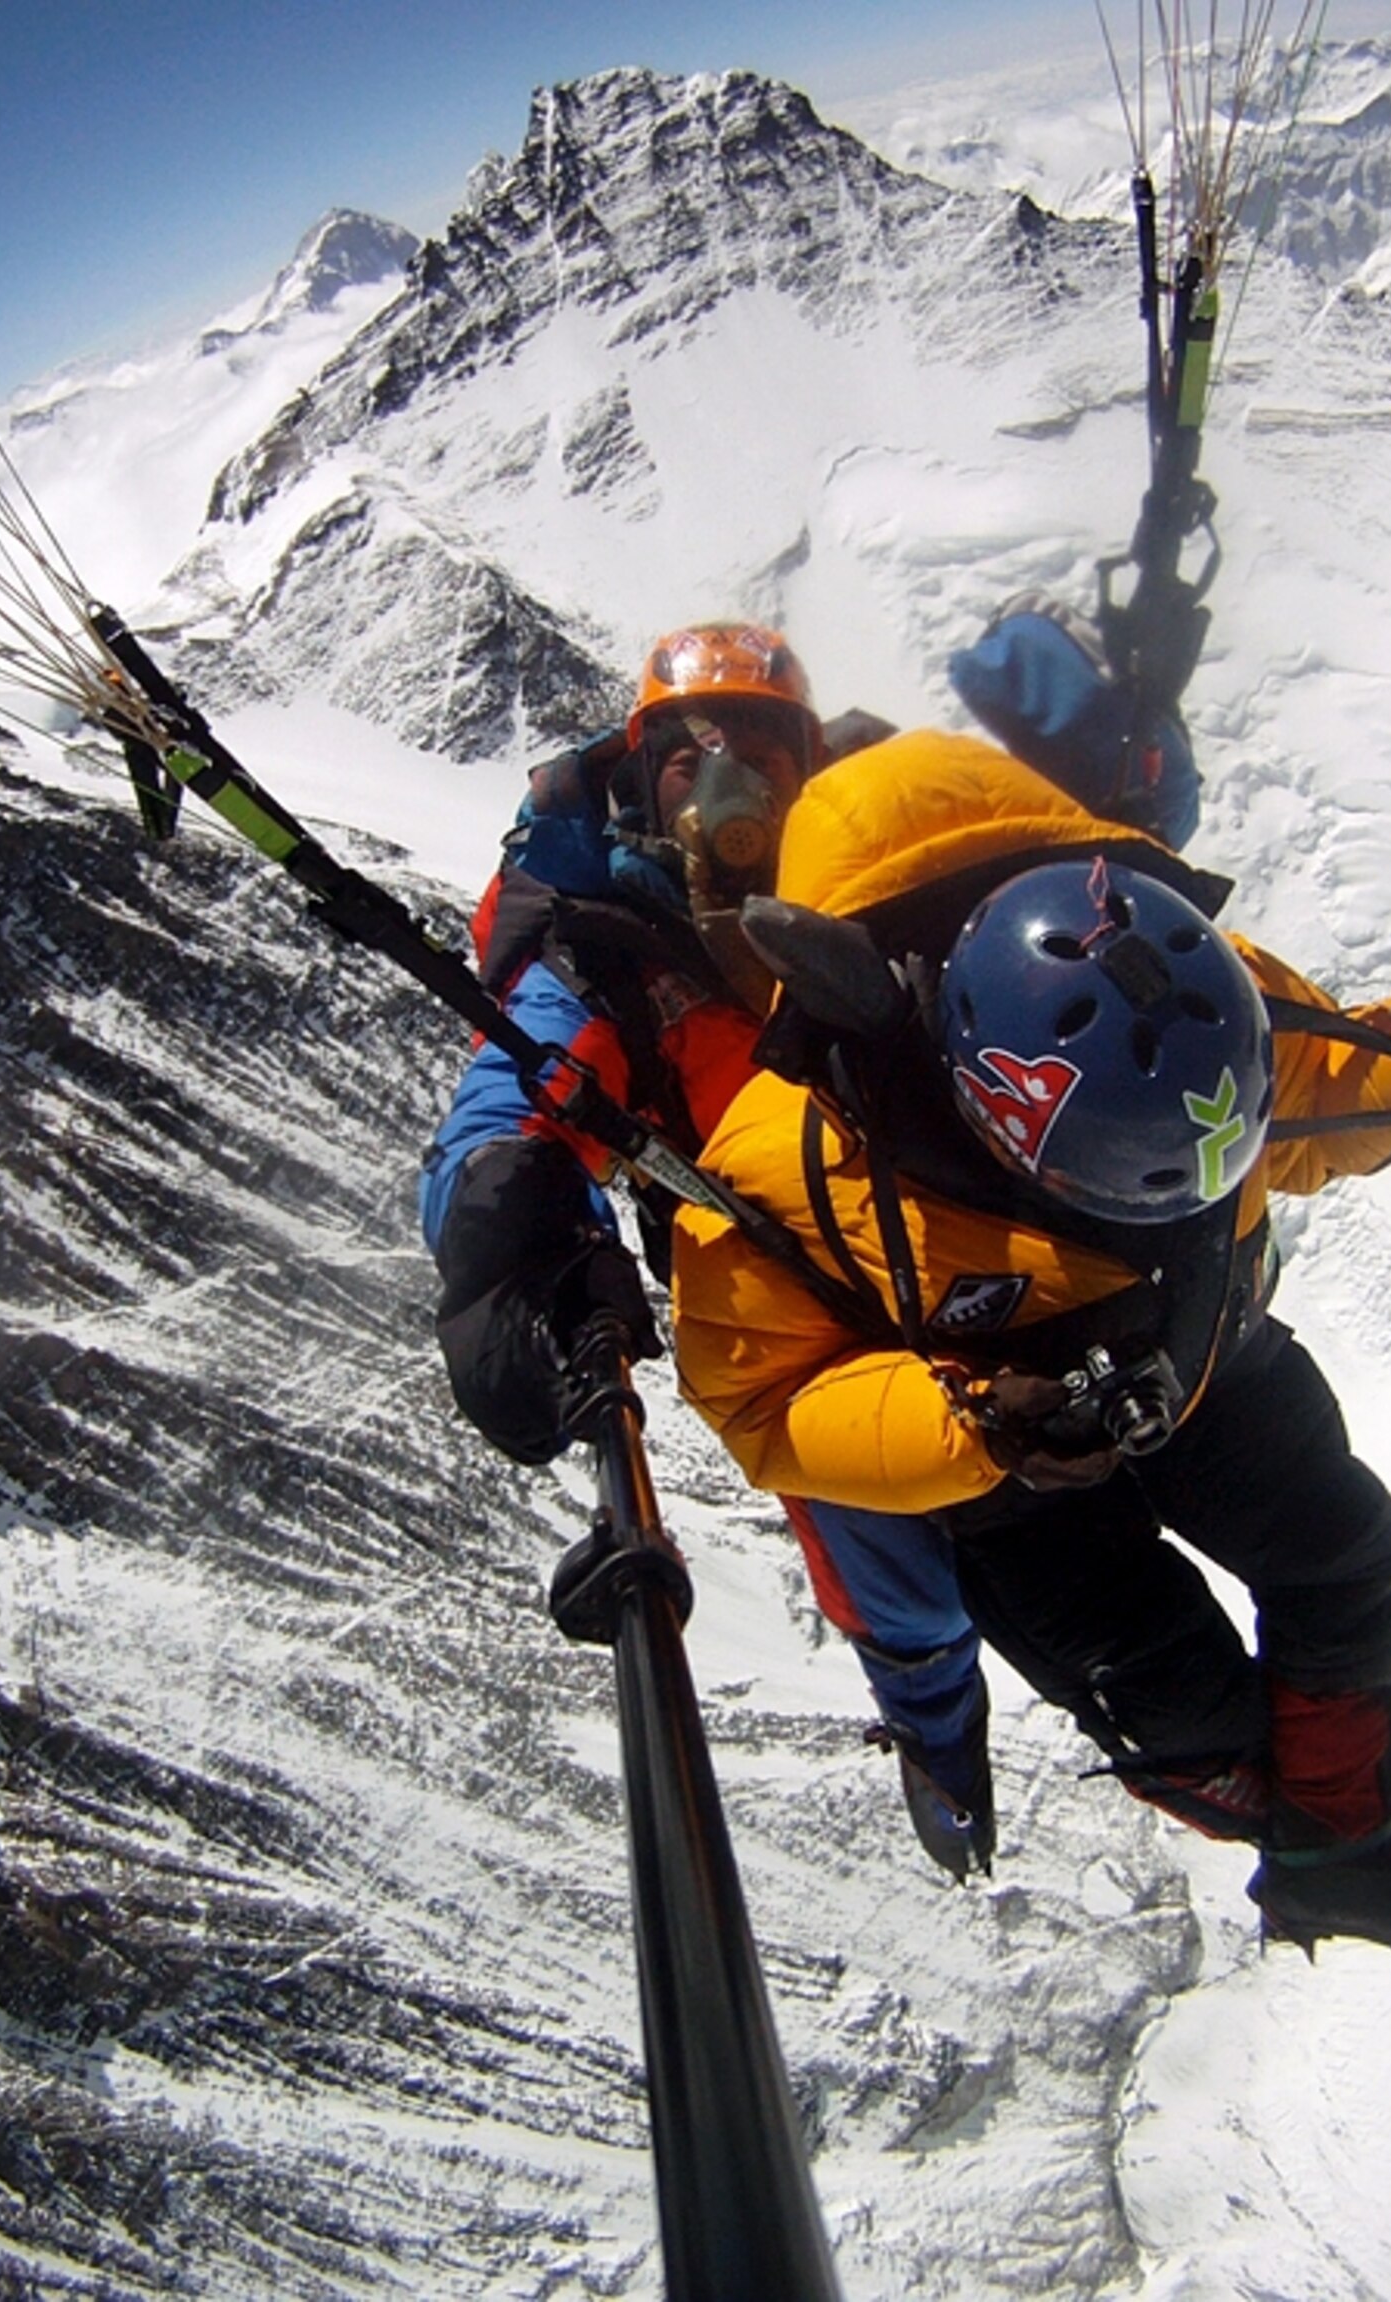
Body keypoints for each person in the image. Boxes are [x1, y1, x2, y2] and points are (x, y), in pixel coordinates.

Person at [667, 725, 1391, 1964]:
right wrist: (973, 1424)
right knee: (1193, 1698)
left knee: (1343, 1566)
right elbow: (768, 1401)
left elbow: (1305, 1092)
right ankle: (1326, 1842)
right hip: (1029, 1463)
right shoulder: (788, 1171)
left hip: (1177, 1367)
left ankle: (1332, 1857)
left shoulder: (1191, 982)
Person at [418, 624, 1008, 1879]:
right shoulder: (602, 951)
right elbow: (515, 1099)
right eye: (686, 757)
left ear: (812, 774)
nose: (722, 778)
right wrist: (500, 1226)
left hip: (963, 1220)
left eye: (753, 749)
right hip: (792, 1294)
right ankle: (940, 1733)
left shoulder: (898, 872)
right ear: (637, 782)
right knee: (894, 1562)